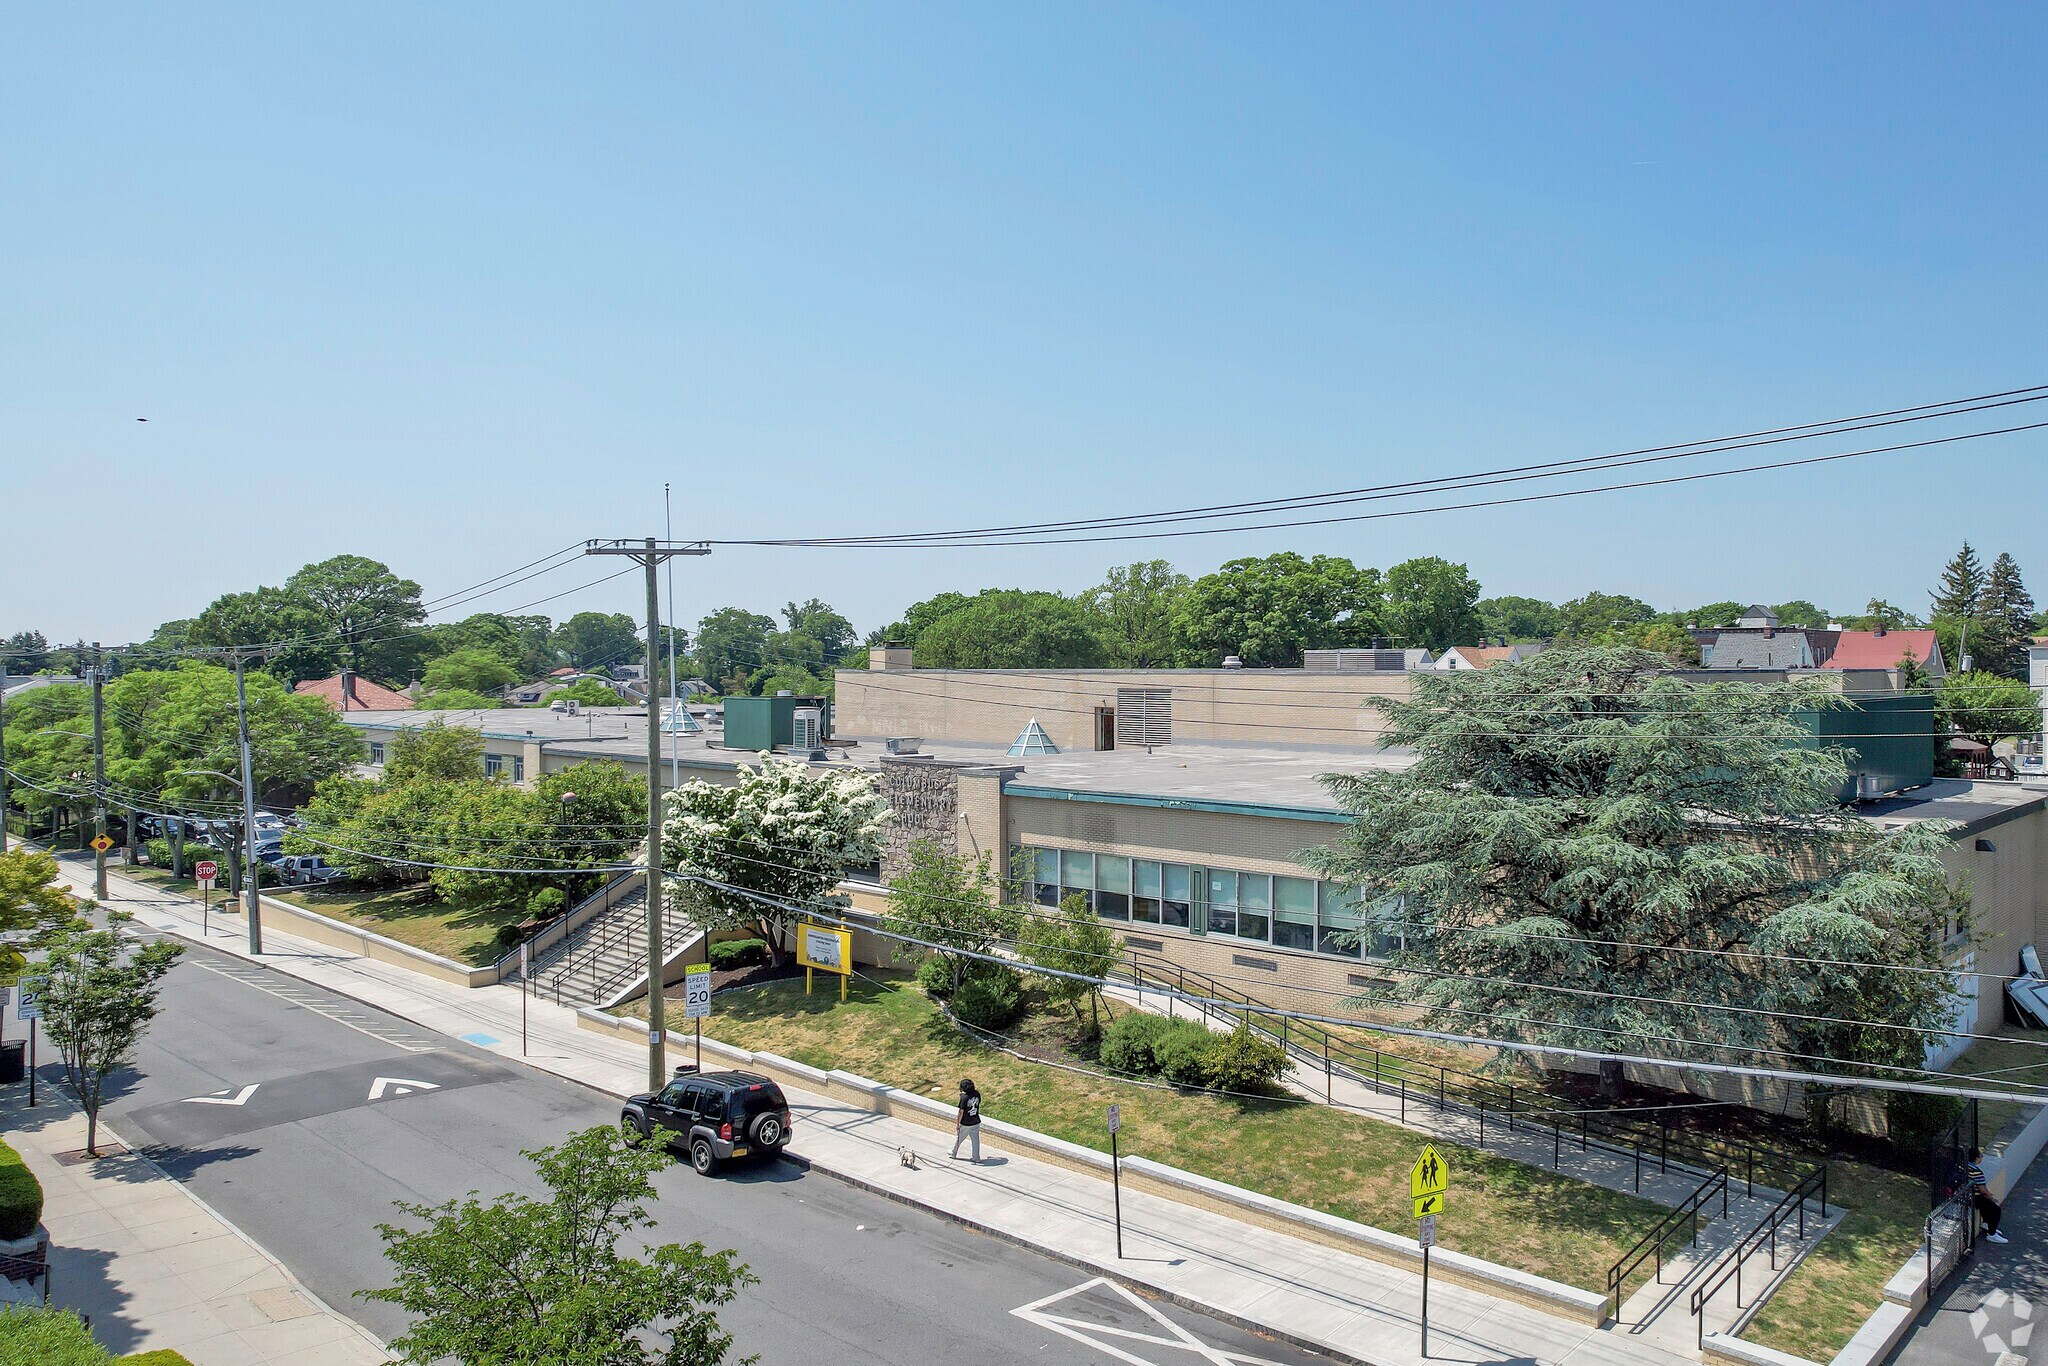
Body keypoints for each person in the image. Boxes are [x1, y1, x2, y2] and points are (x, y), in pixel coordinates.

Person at [1968, 1147, 2009, 1244]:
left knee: (1986, 1206)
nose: (1982, 1157)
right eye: (1981, 1156)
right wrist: (1990, 1197)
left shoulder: (1963, 1166)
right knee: (1995, 1209)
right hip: (1975, 1197)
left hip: (1966, 1195)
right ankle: (1992, 1234)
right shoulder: (1976, 1171)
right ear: (1977, 1158)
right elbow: (1983, 1190)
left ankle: (1987, 1224)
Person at [951, 1078, 983, 1161]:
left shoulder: (964, 1098)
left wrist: (957, 1124)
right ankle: (976, 1157)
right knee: (975, 1141)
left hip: (966, 1122)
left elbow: (961, 1112)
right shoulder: (977, 1094)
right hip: (975, 1121)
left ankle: (953, 1153)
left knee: (959, 1138)